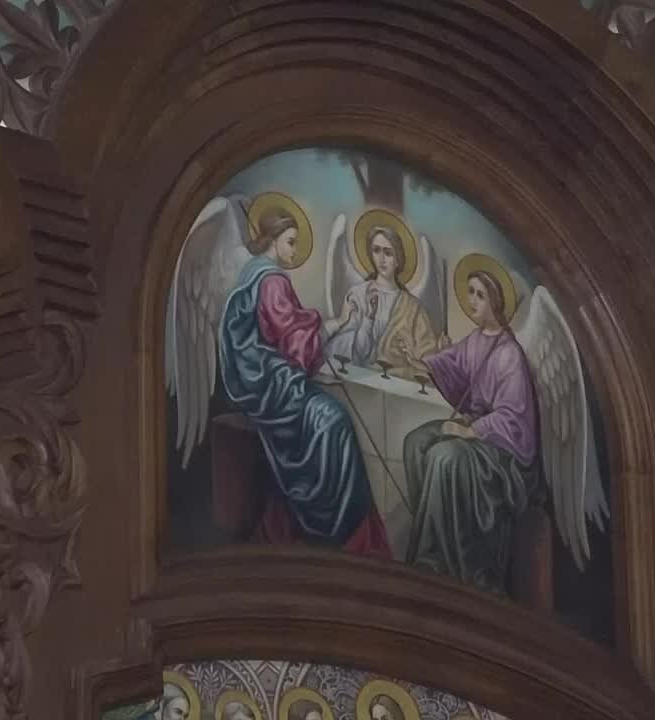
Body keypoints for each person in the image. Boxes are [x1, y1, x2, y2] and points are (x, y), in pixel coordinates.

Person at [219, 205, 392, 559]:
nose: (295, 250)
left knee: (333, 417)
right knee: (335, 423)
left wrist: (335, 326)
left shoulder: (252, 274)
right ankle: (343, 532)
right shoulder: (272, 280)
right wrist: (339, 322)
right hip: (274, 387)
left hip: (260, 381)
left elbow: (290, 335)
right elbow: (295, 344)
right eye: (290, 242)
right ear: (272, 241)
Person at [396, 269, 539, 594]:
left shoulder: (509, 354)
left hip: (503, 453)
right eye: (470, 292)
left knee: (444, 456)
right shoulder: (476, 340)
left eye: (480, 295)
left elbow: (513, 419)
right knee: (415, 442)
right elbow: (450, 365)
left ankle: (446, 559)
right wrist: (420, 361)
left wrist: (469, 431)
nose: (472, 300)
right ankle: (435, 540)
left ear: (496, 301)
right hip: (474, 430)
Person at [325, 224, 441, 372]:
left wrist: (414, 354)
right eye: (376, 250)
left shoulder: (413, 307)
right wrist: (368, 319)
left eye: (388, 253)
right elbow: (348, 351)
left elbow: (428, 354)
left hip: (397, 380)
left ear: (398, 259)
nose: (381, 259)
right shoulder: (358, 294)